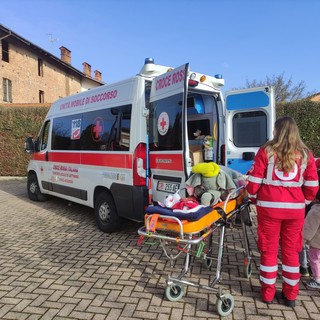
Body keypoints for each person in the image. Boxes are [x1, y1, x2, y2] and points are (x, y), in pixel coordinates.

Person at [246, 116, 319, 307]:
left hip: (269, 210)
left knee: (268, 251)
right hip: (294, 212)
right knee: (291, 252)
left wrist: (256, 199)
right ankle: (291, 296)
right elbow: (312, 186)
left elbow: (253, 184)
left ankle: (268, 294)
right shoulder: (305, 154)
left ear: (276, 131)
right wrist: (302, 202)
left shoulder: (266, 151)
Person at [303, 169, 320, 289]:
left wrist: (303, 239)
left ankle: (317, 279)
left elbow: (309, 229)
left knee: (314, 259)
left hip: (317, 242)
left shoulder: (315, 211)